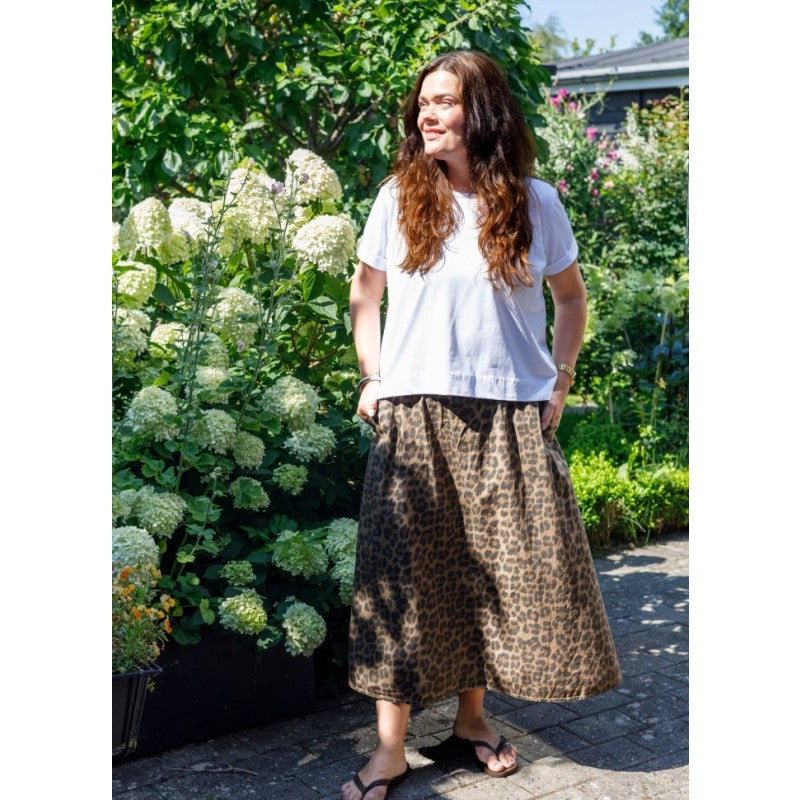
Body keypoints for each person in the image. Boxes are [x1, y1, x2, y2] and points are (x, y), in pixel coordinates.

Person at [341, 50, 622, 800]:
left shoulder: (535, 203)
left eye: (444, 101)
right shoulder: (398, 198)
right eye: (422, 103)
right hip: (415, 413)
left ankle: (470, 721)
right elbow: (365, 295)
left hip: (508, 415)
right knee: (402, 578)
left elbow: (570, 298)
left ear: (484, 112)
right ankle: (390, 750)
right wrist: (372, 378)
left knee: (491, 574)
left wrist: (561, 378)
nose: (426, 113)